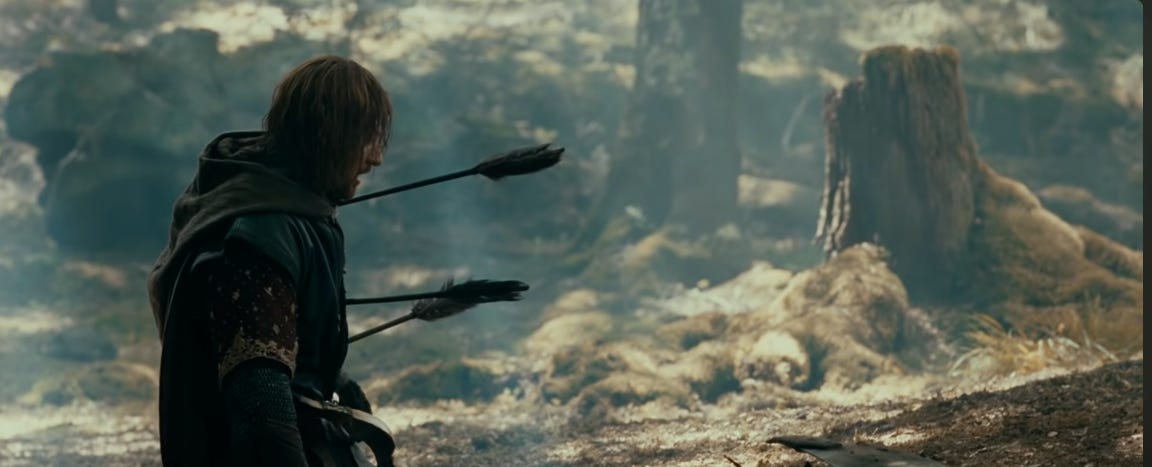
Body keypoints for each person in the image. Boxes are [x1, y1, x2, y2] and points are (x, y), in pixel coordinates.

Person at [146, 55, 393, 467]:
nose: (374, 159)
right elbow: (259, 401)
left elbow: (282, 339)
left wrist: (330, 377)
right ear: (330, 138)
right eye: (362, 140)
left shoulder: (291, 212)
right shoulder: (258, 238)